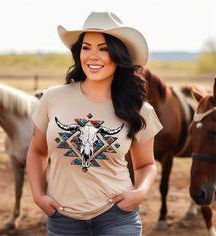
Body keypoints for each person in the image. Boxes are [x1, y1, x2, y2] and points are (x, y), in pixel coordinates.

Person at [26, 11, 163, 236]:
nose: (92, 55)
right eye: (86, 47)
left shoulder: (139, 110)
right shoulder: (53, 98)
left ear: (119, 55)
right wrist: (38, 195)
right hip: (63, 220)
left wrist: (141, 192)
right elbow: (37, 151)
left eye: (103, 48)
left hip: (117, 218)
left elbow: (146, 165)